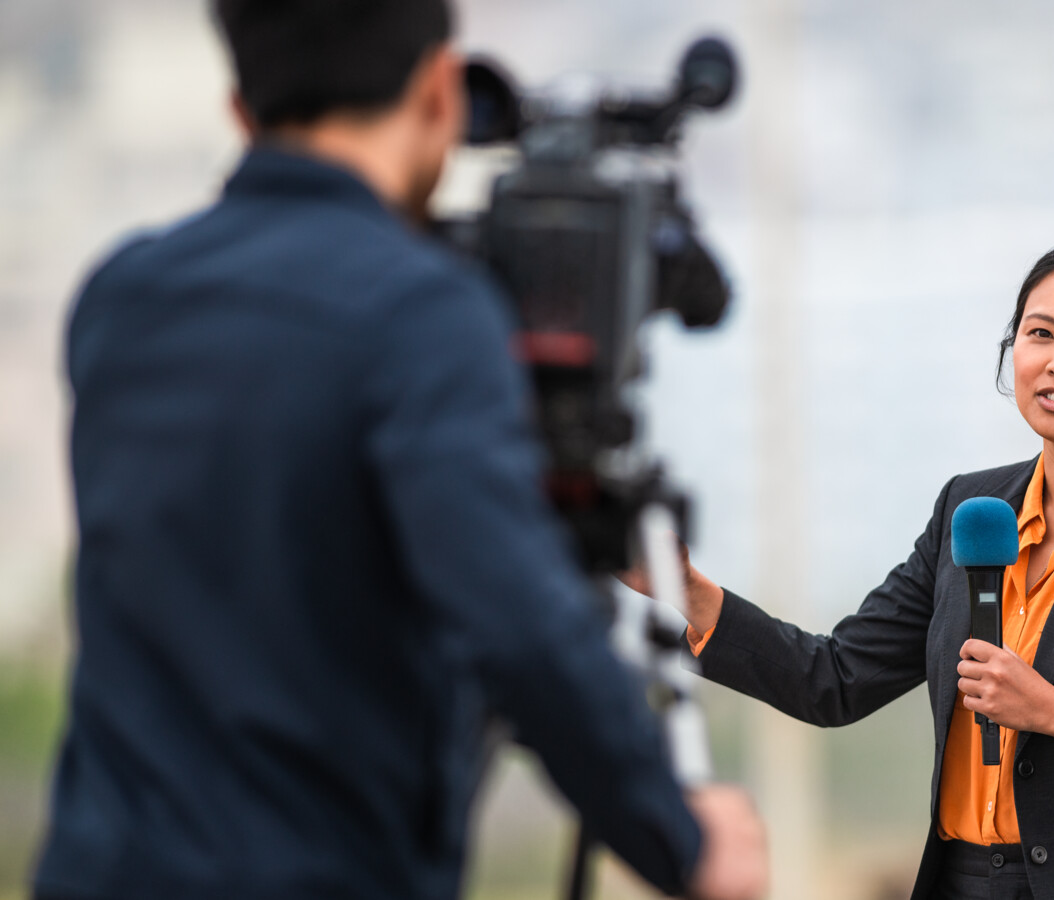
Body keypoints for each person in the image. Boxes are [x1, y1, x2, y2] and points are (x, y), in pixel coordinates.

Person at [32, 2, 766, 899]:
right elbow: (522, 625)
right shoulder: (423, 315)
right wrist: (679, 836)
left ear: (240, 111)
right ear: (436, 95)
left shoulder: (122, 297)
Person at [629, 236, 1054, 899]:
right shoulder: (970, 509)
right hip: (963, 882)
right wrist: (688, 593)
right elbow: (834, 677)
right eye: (1039, 334)